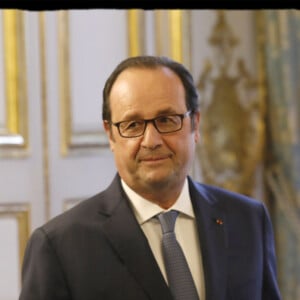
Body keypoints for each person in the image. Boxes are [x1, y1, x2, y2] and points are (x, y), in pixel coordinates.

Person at [19, 55, 281, 300]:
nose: (151, 140)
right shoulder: (59, 247)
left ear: (195, 125)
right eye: (132, 125)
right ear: (111, 135)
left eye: (166, 120)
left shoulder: (248, 220)